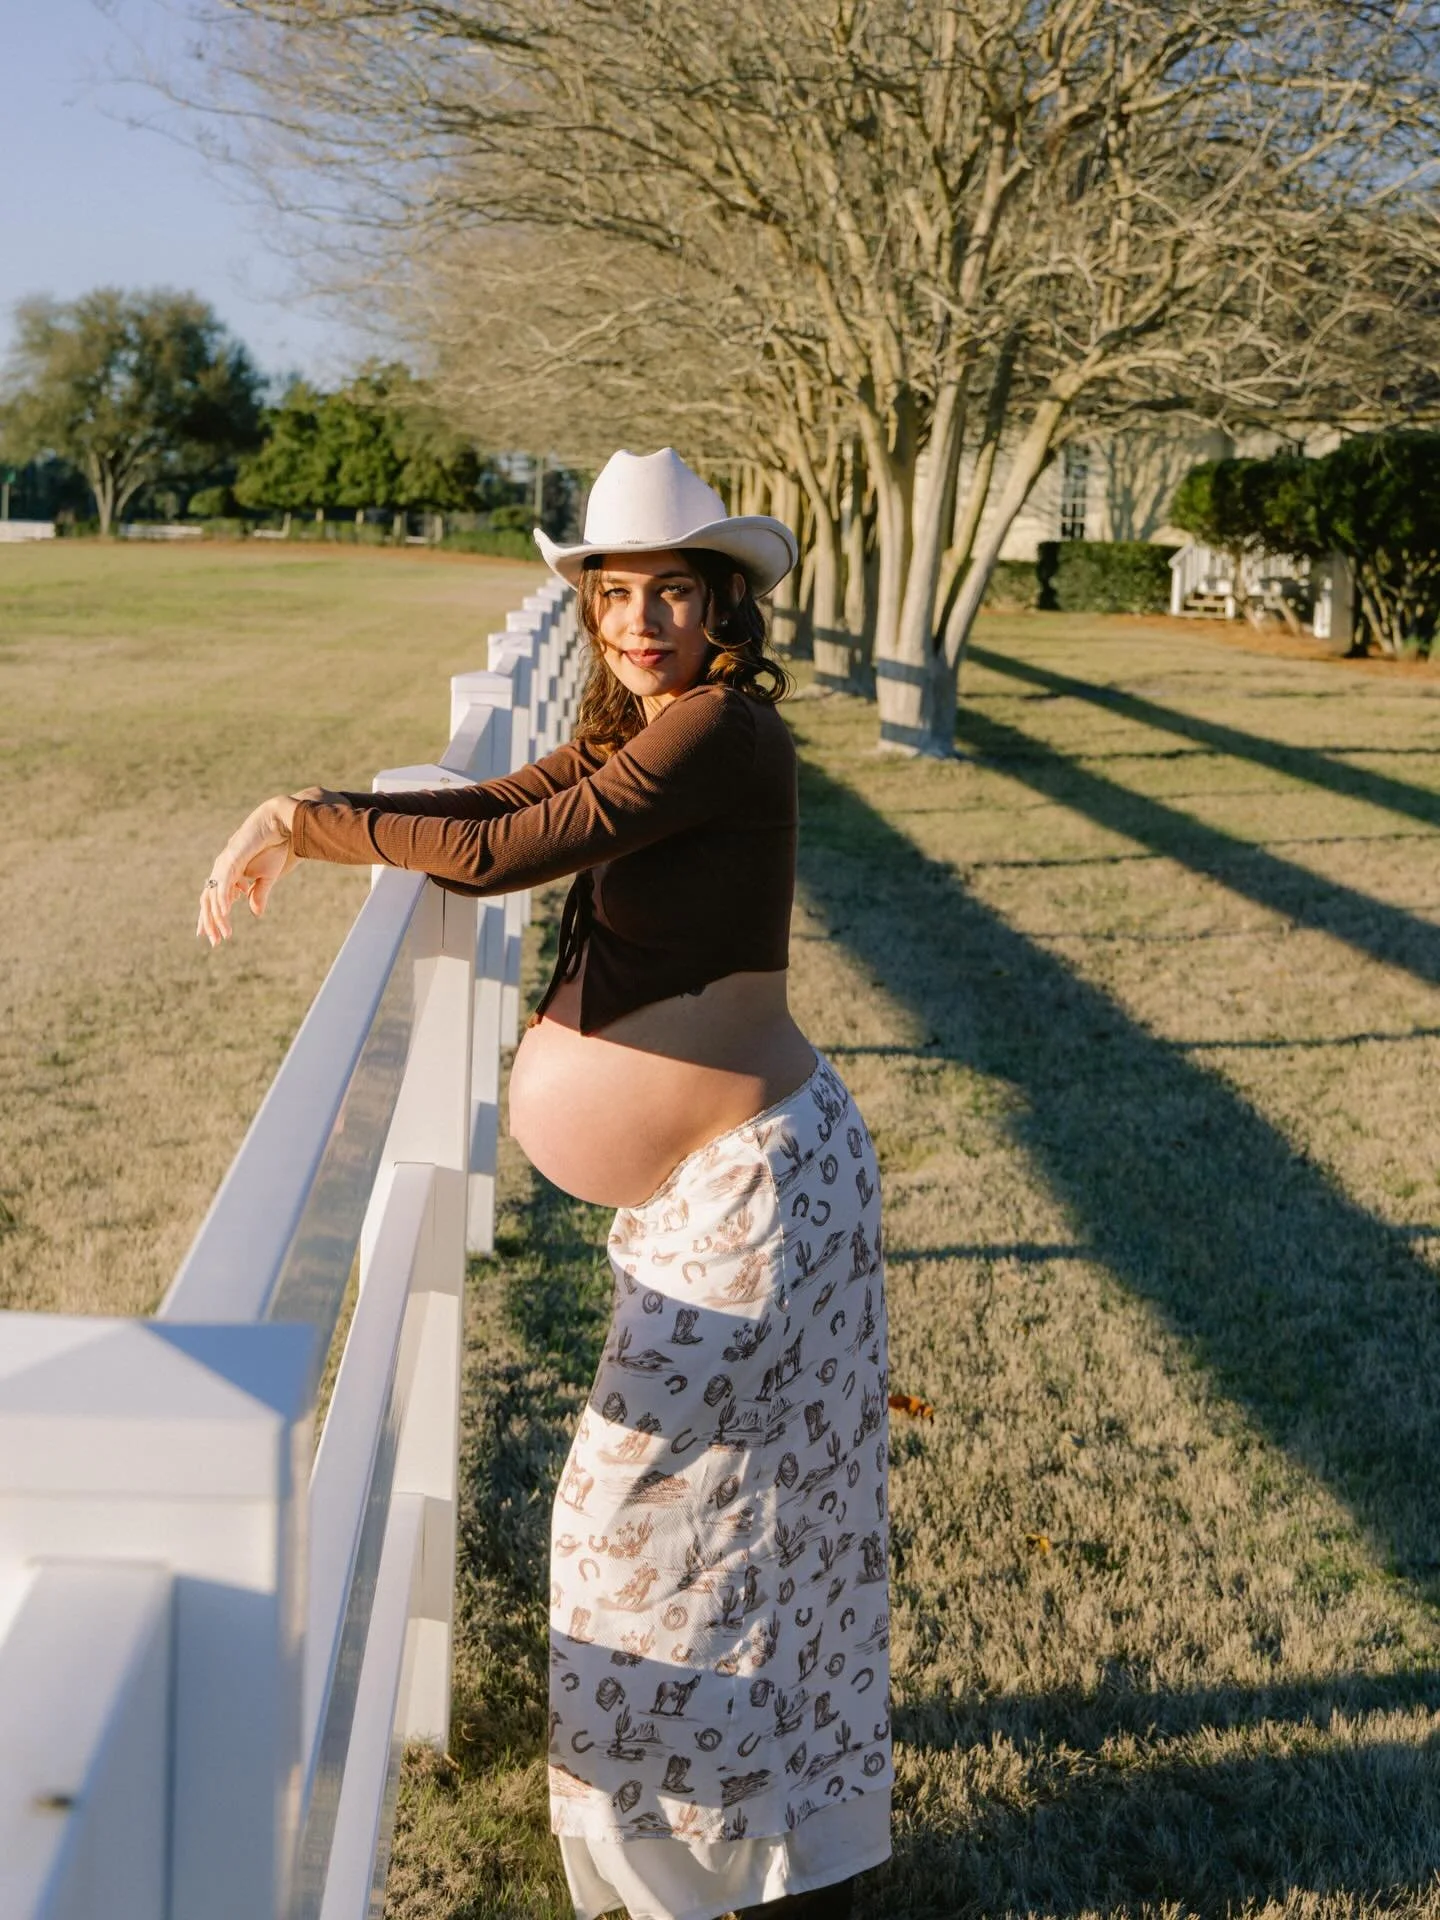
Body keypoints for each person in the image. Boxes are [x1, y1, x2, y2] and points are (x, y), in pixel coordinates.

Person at [197, 447, 892, 1920]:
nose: (642, 619)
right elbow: (516, 793)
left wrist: (296, 817)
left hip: (759, 1188)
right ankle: (734, 1858)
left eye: (674, 593)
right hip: (726, 1185)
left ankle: (699, 1870)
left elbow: (510, 849)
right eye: (618, 592)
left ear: (723, 610)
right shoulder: (650, 722)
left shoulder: (720, 734)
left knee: (654, 1521)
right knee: (737, 1524)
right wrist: (336, 803)